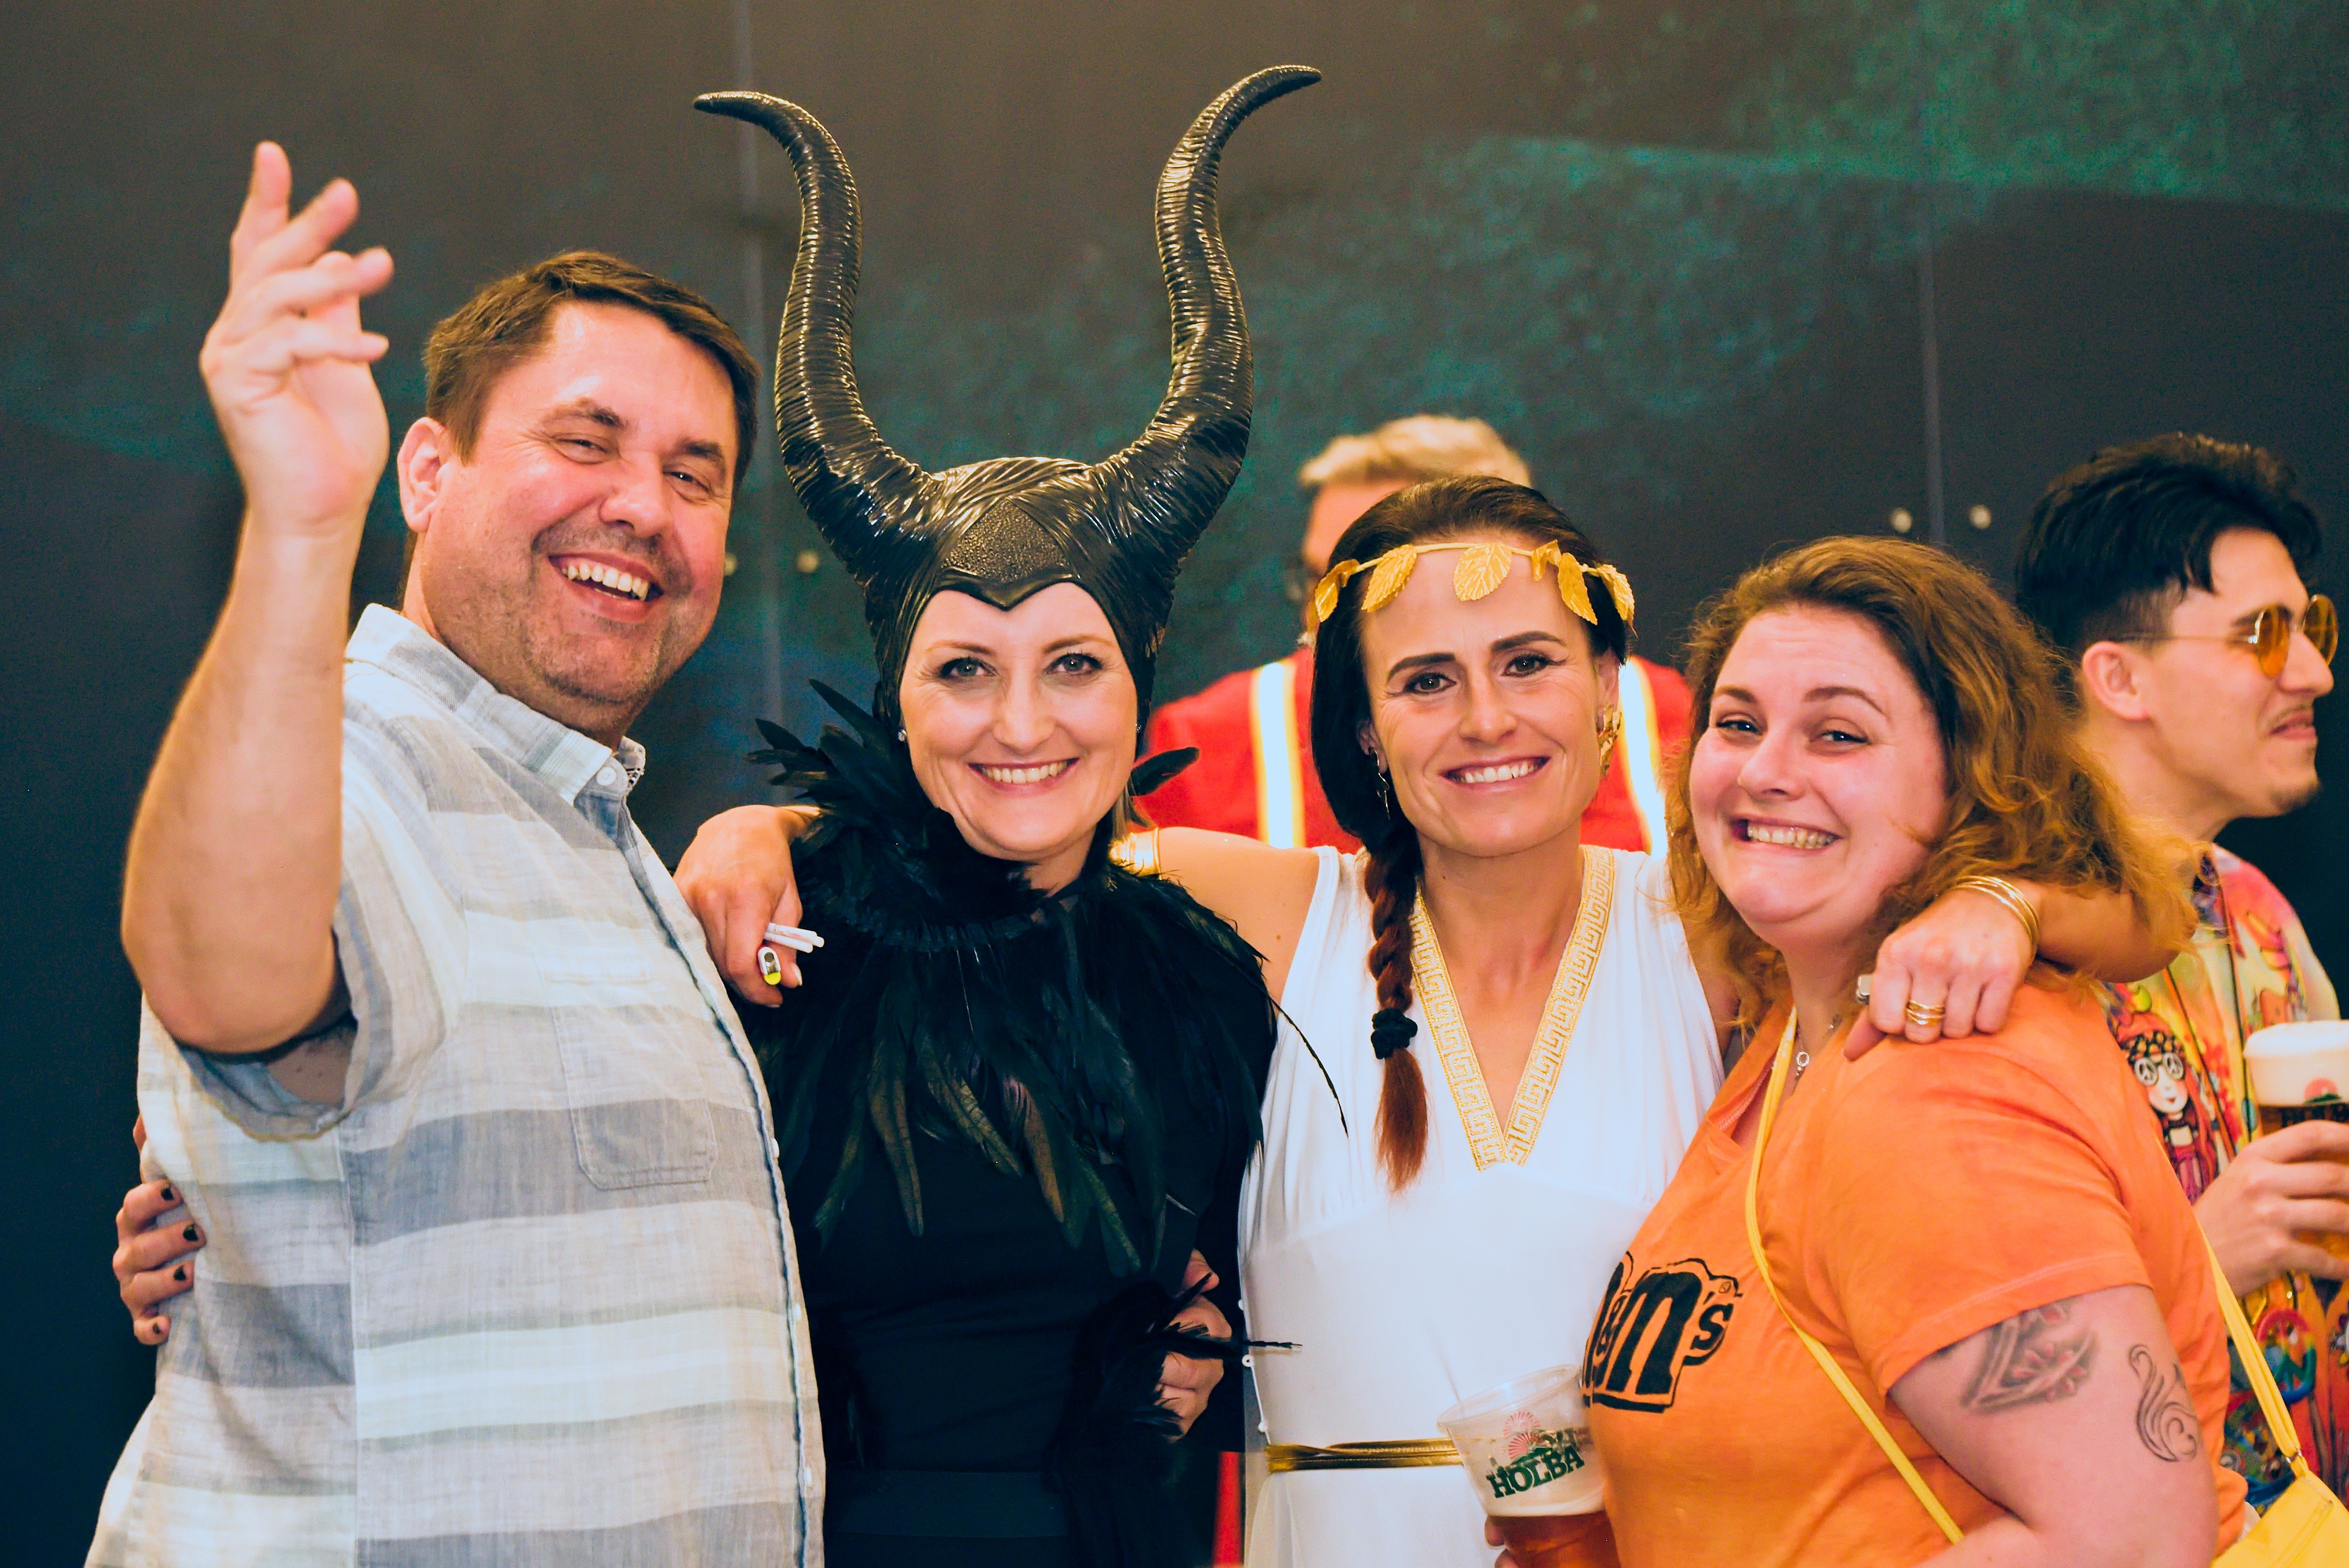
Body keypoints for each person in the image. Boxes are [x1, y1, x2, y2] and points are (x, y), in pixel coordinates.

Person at [678, 475, 2173, 1568]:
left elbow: (2152, 905)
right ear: (1365, 728)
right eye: (1424, 681)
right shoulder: (1269, 915)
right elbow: (996, 821)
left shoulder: (1715, 928)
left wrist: (2001, 902)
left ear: (1609, 691)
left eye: (1527, 663)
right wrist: (770, 832)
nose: (1483, 719)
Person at [91, 145, 822, 1566]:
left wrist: (779, 822)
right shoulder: (359, 768)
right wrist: (302, 528)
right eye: (585, 441)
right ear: (428, 470)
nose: (642, 504)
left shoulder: (589, 829)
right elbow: (222, 974)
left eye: (694, 474)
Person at [1584, 537, 2243, 1566]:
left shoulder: (1936, 1084)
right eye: (1738, 722)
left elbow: (2132, 1538)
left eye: (1837, 734)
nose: (1764, 770)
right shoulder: (1793, 1028)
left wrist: (2010, 898)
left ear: (1966, 778)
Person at [2013, 433, 2347, 1505]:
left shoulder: (2253, 907)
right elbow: (1958, 1346)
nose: (2312, 672)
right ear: (2116, 675)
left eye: (2310, 625)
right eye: (2261, 634)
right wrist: (2201, 1252)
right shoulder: (1991, 946)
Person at [1140, 417, 1689, 852]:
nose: (1330, 620)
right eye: (1320, 583)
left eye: (1381, 581)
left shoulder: (1663, 719)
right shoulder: (1208, 744)